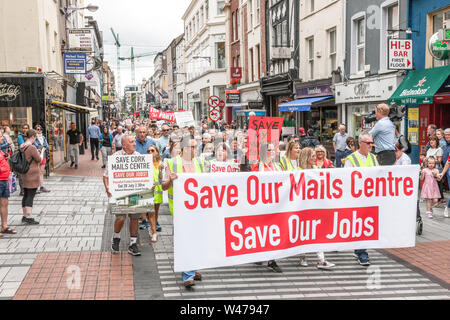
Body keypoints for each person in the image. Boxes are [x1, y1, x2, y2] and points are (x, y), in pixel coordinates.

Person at [162, 135, 207, 288]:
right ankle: (188, 275)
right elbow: (163, 186)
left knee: (197, 240)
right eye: (194, 147)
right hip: (180, 209)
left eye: (197, 147)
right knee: (185, 240)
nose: (196, 150)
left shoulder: (200, 161)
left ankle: (193, 269)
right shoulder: (172, 162)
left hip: (198, 208)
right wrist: (170, 180)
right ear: (185, 148)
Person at [103, 134, 142, 256]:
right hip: (119, 192)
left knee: (134, 217)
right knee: (121, 217)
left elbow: (145, 175)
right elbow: (106, 176)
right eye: (131, 142)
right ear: (124, 145)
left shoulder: (139, 157)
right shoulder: (115, 157)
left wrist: (148, 185)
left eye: (134, 141)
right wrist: (107, 187)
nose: (134, 143)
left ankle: (133, 243)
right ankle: (116, 237)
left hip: (134, 191)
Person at [297, 147, 336, 269]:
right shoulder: (297, 171)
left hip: (315, 206)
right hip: (302, 207)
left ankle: (321, 259)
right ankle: (302, 254)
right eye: (312, 156)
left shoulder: (316, 169)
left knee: (317, 231)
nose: (315, 158)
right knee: (302, 231)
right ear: (306, 158)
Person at [344, 132, 378, 266]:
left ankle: (359, 250)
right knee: (360, 225)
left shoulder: (374, 158)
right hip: (357, 199)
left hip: (370, 198)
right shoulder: (351, 159)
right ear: (360, 143)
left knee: (366, 225)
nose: (371, 145)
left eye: (372, 142)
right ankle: (362, 252)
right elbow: (347, 179)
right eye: (368, 143)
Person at [252, 142, 283, 272]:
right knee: (262, 231)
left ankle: (272, 259)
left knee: (273, 231)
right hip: (262, 205)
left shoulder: (278, 166)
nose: (272, 152)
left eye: (273, 150)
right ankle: (260, 254)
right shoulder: (257, 167)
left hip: (276, 205)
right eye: (269, 150)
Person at [20, 129, 45, 225]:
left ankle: (24, 215)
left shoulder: (22, 146)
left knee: (26, 194)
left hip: (25, 174)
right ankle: (29, 217)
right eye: (35, 137)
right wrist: (42, 151)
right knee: (30, 195)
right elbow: (39, 159)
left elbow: (28, 156)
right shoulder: (32, 147)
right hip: (32, 175)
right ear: (33, 137)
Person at [147, 145, 164, 243]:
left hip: (158, 190)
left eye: (152, 150)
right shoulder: (145, 163)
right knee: (151, 212)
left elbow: (162, 179)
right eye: (148, 151)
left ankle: (153, 226)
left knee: (156, 212)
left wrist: (161, 171)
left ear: (157, 151)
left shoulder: (162, 163)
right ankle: (154, 232)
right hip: (149, 190)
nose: (150, 152)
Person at [0, 149, 16, 237]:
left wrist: (7, 159)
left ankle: (4, 226)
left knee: (4, 203)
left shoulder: (1, 151)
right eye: (1, 136)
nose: (2, 138)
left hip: (4, 180)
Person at [33, 125, 50, 194]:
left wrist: (42, 147)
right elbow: (37, 146)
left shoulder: (43, 137)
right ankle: (35, 187)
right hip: (37, 156)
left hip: (43, 156)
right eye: (37, 129)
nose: (39, 131)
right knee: (36, 172)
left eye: (40, 129)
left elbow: (47, 146)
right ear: (35, 130)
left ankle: (41, 186)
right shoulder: (34, 138)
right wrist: (43, 147)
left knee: (41, 171)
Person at [16, 124, 30, 196]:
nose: (25, 129)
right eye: (24, 128)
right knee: (21, 175)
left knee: (28, 174)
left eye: (26, 128)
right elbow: (22, 146)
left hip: (29, 157)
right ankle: (22, 190)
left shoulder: (30, 136)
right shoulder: (20, 136)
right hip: (21, 157)